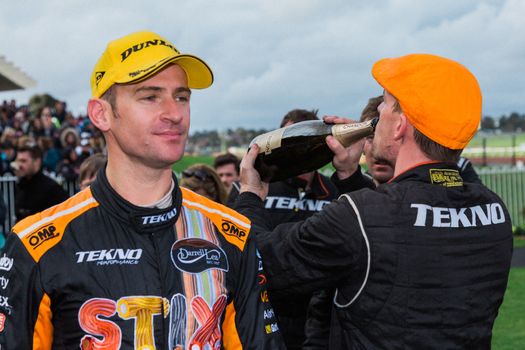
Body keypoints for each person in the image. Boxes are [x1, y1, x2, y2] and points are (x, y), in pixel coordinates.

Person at [0, 31, 284, 349]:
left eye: (181, 97)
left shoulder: (232, 234)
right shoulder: (37, 244)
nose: (174, 113)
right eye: (150, 97)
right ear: (101, 114)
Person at [235, 53, 513, 349]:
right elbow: (390, 236)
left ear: (399, 126)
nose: (376, 114)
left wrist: (251, 196)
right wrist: (349, 174)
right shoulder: (493, 210)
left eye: (385, 103)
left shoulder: (361, 215)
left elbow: (258, 262)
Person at [230, 108, 339, 350]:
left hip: (316, 316)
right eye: (288, 142)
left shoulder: (333, 190)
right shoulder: (256, 186)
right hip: (262, 308)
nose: (296, 151)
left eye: (303, 142)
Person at [12, 143, 68, 221]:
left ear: (37, 161)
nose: (19, 165)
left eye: (23, 161)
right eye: (18, 161)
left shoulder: (51, 188)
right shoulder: (20, 185)